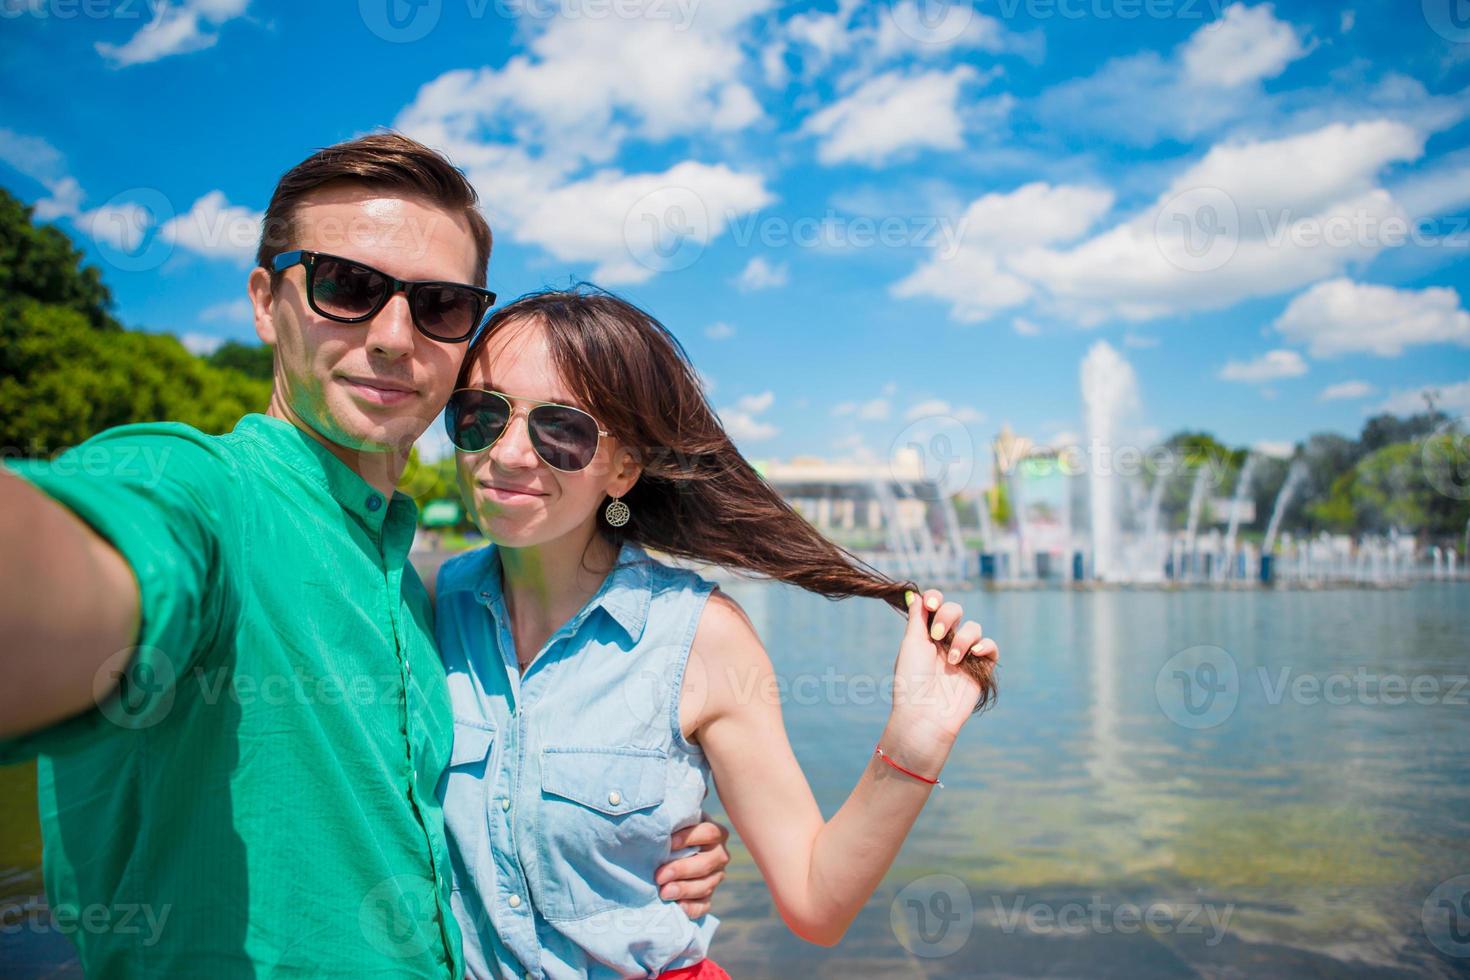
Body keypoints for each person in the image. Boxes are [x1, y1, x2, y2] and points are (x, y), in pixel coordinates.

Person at [0, 133, 727, 977]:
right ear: (266, 302)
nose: (392, 336)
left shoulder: (428, 585)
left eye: (440, 305)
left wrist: (631, 829)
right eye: (347, 286)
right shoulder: (201, 491)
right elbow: (83, 566)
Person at [436, 287, 999, 979]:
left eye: (562, 430)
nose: (511, 452)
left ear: (623, 467)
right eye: (481, 414)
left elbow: (815, 901)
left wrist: (915, 740)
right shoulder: (422, 606)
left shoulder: (702, 637)